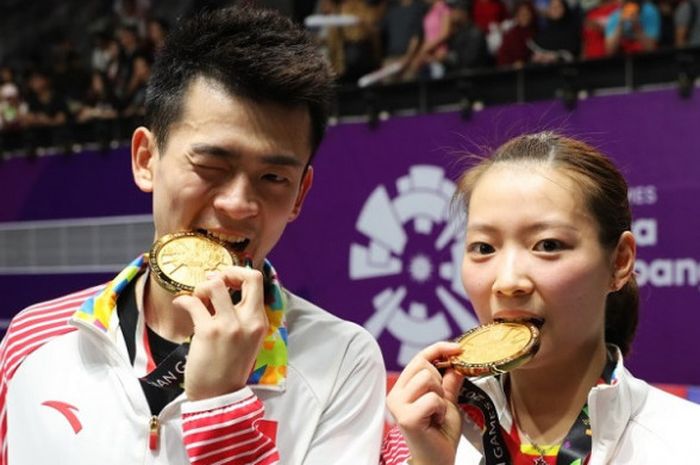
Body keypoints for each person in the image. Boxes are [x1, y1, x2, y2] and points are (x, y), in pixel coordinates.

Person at [0, 6, 386, 465]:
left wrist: (220, 407)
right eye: (211, 167)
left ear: (300, 194)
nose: (239, 204)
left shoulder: (343, 361)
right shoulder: (34, 341)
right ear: (146, 158)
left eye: (273, 178)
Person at [380, 132, 700, 465]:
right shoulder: (418, 434)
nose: (508, 282)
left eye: (547, 245)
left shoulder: (687, 442)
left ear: (620, 260)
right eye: (484, 248)